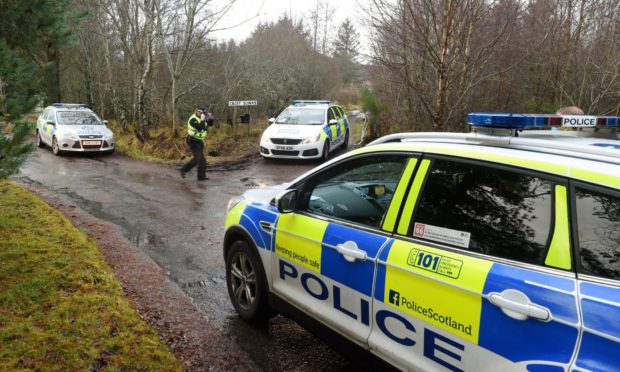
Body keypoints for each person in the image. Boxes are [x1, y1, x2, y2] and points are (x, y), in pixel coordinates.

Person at [180, 107, 213, 180]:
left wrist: (210, 118)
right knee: (198, 158)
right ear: (196, 112)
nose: (201, 114)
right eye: (199, 112)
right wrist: (202, 119)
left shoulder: (203, 118)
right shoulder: (193, 119)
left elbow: (210, 125)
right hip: (192, 140)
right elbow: (199, 128)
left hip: (199, 141)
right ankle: (183, 170)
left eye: (202, 113)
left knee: (202, 159)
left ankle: (201, 176)